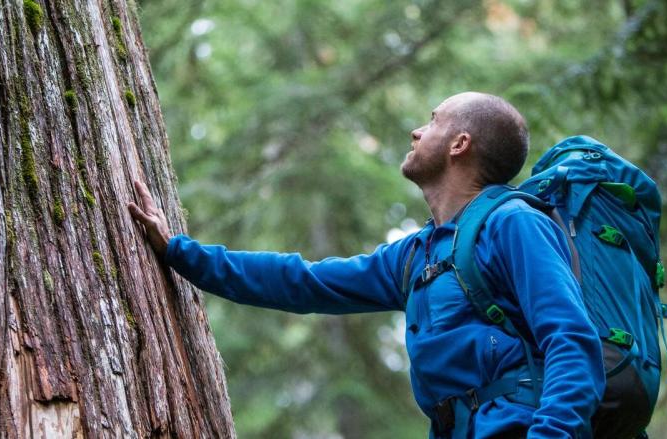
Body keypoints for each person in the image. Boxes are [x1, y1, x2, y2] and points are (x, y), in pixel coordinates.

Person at [128, 92, 605, 438]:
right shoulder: (416, 254)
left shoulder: (516, 224)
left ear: (460, 144)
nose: (417, 131)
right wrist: (178, 251)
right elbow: (303, 282)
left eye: (433, 121)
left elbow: (571, 340)